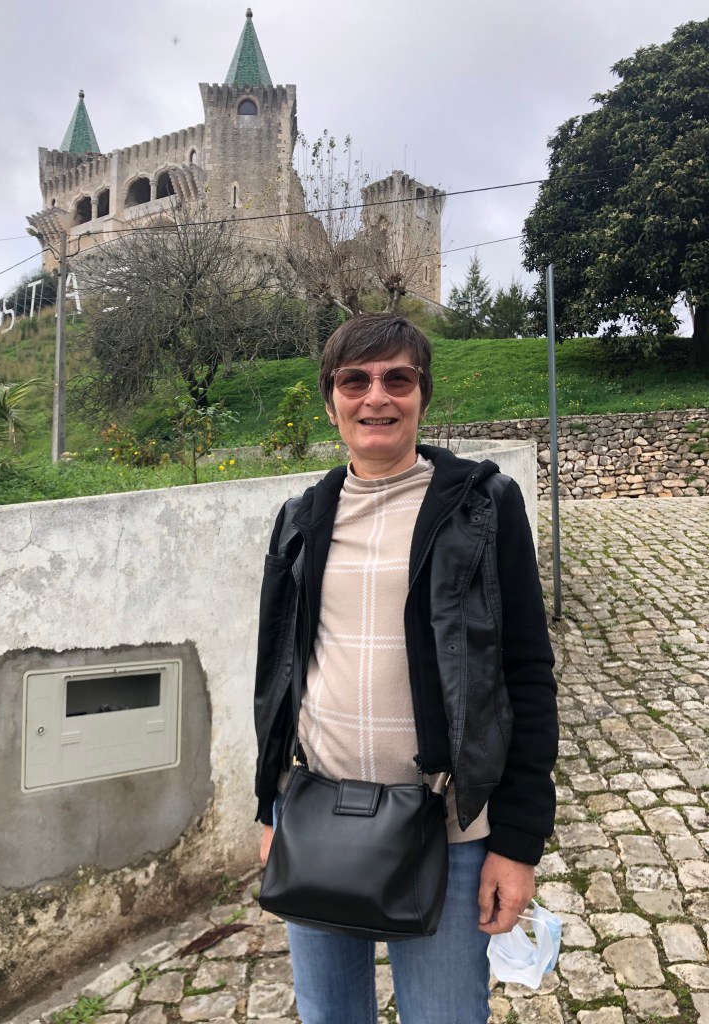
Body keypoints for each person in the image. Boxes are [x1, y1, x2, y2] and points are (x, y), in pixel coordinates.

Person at [253, 313, 558, 1024]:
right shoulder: (300, 519)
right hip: (316, 819)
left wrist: (517, 843)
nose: (376, 397)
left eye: (398, 378)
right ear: (330, 401)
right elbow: (276, 673)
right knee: (330, 1016)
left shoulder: (483, 507)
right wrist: (268, 806)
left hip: (448, 830)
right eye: (354, 381)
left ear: (423, 395)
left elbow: (525, 671)